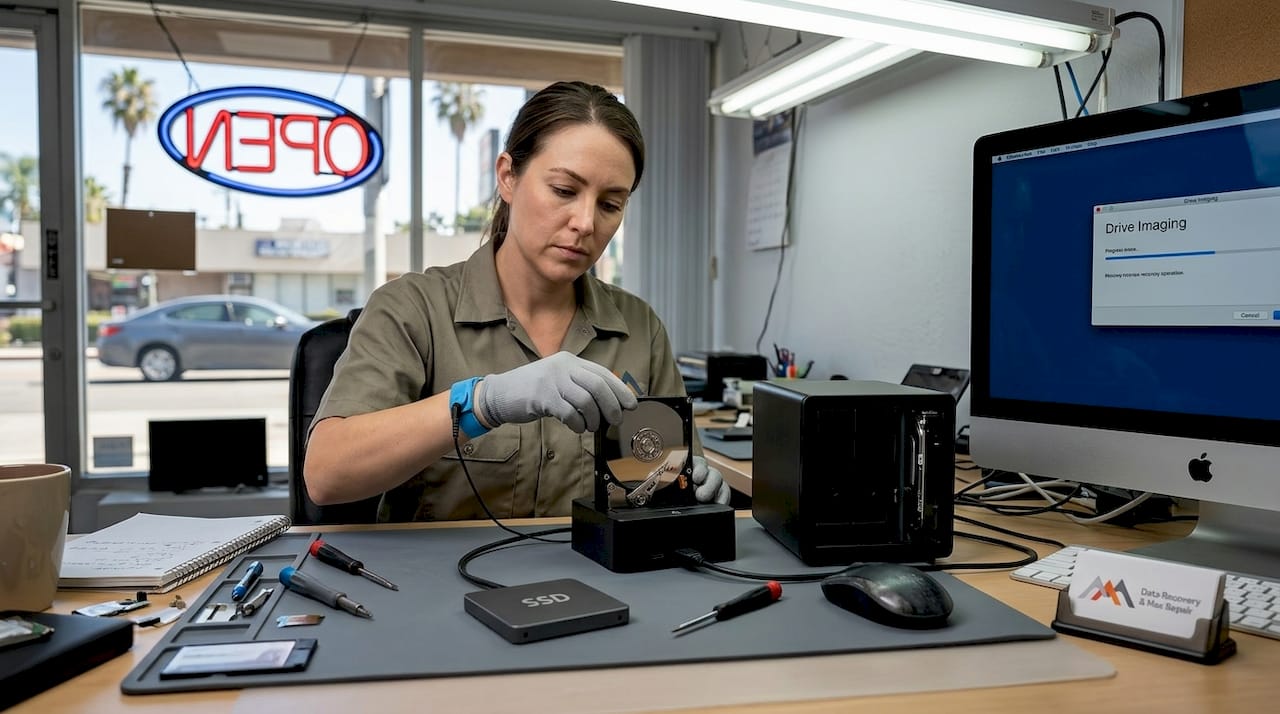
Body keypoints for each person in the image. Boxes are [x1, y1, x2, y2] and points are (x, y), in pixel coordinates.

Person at [304, 80, 730, 522]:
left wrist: (689, 491)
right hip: (434, 584)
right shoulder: (411, 309)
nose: (585, 222)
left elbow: (661, 483)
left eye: (610, 204)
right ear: (508, 176)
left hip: (596, 578)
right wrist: (485, 402)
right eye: (564, 191)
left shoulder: (640, 328)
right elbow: (327, 475)